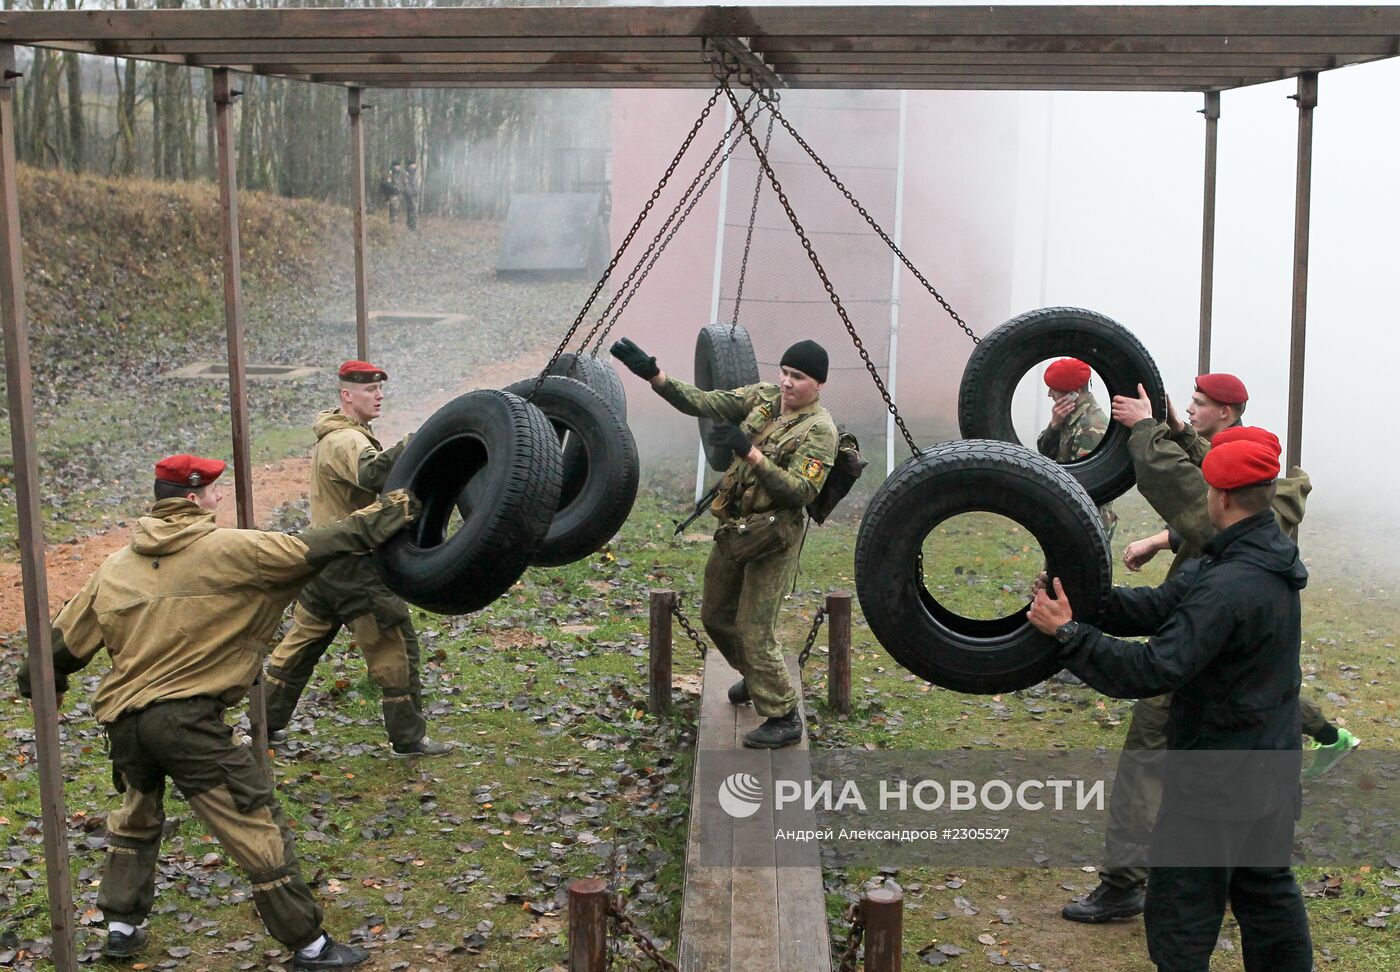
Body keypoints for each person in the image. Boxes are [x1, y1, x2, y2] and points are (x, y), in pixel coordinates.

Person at [18, 454, 420, 968]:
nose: (217, 500)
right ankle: (310, 946)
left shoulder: (113, 568)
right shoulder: (233, 550)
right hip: (188, 725)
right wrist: (400, 508)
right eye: (212, 493)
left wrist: (40, 687)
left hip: (125, 726)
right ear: (192, 500)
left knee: (136, 817)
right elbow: (321, 544)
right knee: (254, 824)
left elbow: (55, 652)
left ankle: (120, 927)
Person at [1061, 373, 1351, 924]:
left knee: (1152, 764)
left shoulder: (1235, 543)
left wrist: (1147, 430)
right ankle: (1327, 736)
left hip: (1211, 688)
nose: (1190, 409)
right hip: (1239, 703)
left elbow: (1193, 498)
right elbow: (1207, 488)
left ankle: (1129, 882)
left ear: (1229, 411)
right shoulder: (1253, 495)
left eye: (1200, 403)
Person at [1028, 432, 1313, 972]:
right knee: (1266, 891)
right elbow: (1164, 604)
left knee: (1181, 912)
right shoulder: (1257, 555)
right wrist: (1087, 602)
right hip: (1270, 767)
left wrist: (1069, 637)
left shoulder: (1230, 584)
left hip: (1217, 783)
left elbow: (1154, 667)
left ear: (1221, 497)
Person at [611, 336, 838, 749]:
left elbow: (800, 492)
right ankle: (757, 677)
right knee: (715, 615)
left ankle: (784, 715)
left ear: (818, 384)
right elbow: (703, 401)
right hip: (736, 526)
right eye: (785, 372)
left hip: (775, 535)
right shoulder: (764, 398)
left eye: (798, 377)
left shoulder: (820, 431)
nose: (787, 383)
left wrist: (750, 454)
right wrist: (653, 375)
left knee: (754, 627)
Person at [263, 360, 450, 757]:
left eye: (380, 389)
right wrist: (420, 441)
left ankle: (262, 723)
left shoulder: (337, 435)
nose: (378, 396)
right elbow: (372, 474)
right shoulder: (346, 440)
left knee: (297, 648)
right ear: (347, 395)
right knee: (394, 645)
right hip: (355, 566)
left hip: (323, 563)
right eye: (369, 390)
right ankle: (408, 738)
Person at [1035, 357, 1117, 538]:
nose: (1049, 394)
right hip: (1070, 512)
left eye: (1054, 389)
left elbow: (1086, 483)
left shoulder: (1091, 427)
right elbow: (1045, 451)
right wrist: (1054, 426)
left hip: (1086, 522)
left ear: (1075, 392)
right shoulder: (1069, 416)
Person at [398, 158, 419, 231]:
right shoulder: (406, 174)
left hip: (413, 195)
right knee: (412, 210)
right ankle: (412, 227)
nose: (415, 165)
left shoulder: (413, 173)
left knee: (411, 210)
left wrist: (415, 192)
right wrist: (408, 192)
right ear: (410, 165)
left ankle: (411, 226)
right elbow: (404, 186)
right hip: (409, 196)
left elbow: (415, 185)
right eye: (414, 164)